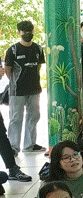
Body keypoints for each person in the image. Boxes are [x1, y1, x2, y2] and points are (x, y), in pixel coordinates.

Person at [5, 20, 46, 155]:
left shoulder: (38, 49)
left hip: (35, 89)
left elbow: (39, 66)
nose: (27, 33)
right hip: (17, 91)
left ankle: (30, 145)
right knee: (16, 119)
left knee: (33, 117)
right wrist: (15, 82)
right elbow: (8, 70)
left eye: (30, 31)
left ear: (33, 31)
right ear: (19, 33)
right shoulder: (13, 50)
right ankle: (13, 147)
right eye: (24, 31)